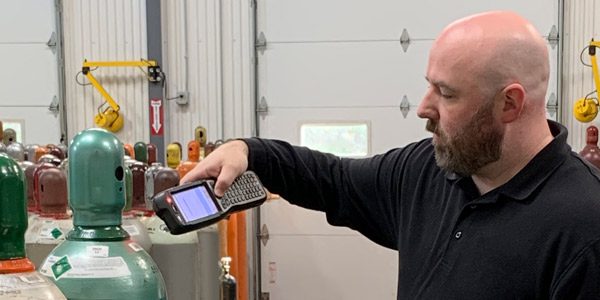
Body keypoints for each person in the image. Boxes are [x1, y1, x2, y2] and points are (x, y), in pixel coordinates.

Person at [182, 11, 600, 299]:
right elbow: (333, 180)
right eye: (429, 84)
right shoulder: (431, 170)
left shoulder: (583, 228)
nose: (423, 106)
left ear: (509, 104)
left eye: (447, 93)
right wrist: (249, 152)